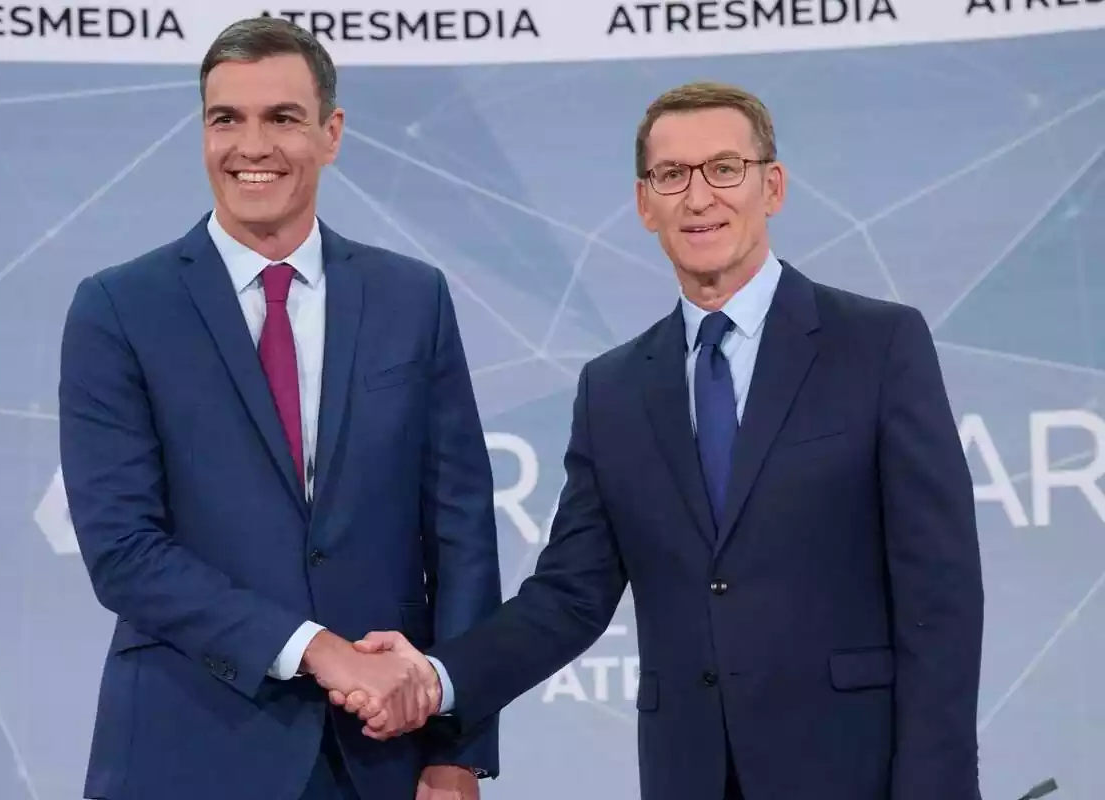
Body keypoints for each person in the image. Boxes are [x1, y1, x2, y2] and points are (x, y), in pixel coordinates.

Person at [331, 82, 986, 800]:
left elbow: (941, 596)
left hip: (856, 774)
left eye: (724, 169)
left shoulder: (878, 345)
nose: (699, 197)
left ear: (772, 186)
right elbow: (569, 597)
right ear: (645, 204)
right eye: (672, 176)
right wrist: (438, 675)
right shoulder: (613, 390)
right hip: (689, 775)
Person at [58, 16, 501, 800]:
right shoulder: (119, 308)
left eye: (282, 119)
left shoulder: (412, 298)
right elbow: (123, 549)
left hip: (382, 759)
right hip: (185, 747)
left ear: (331, 134)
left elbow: (462, 533)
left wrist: (457, 749)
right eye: (226, 118)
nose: (251, 146)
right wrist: (314, 647)